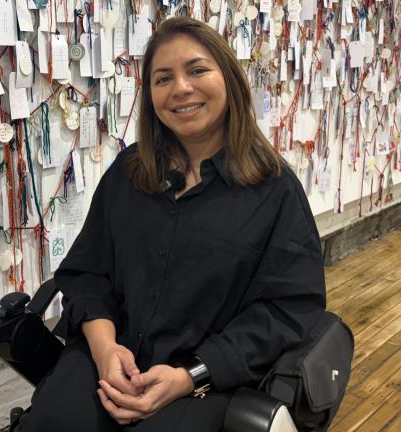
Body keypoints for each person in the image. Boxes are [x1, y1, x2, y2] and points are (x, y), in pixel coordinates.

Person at [19, 16, 326, 432]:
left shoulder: (274, 190)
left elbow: (288, 310)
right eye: (163, 78)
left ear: (228, 79)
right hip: (112, 359)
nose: (181, 88)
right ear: (151, 95)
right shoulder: (129, 174)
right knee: (53, 422)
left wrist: (189, 377)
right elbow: (87, 271)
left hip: (207, 379)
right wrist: (105, 347)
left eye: (197, 70)